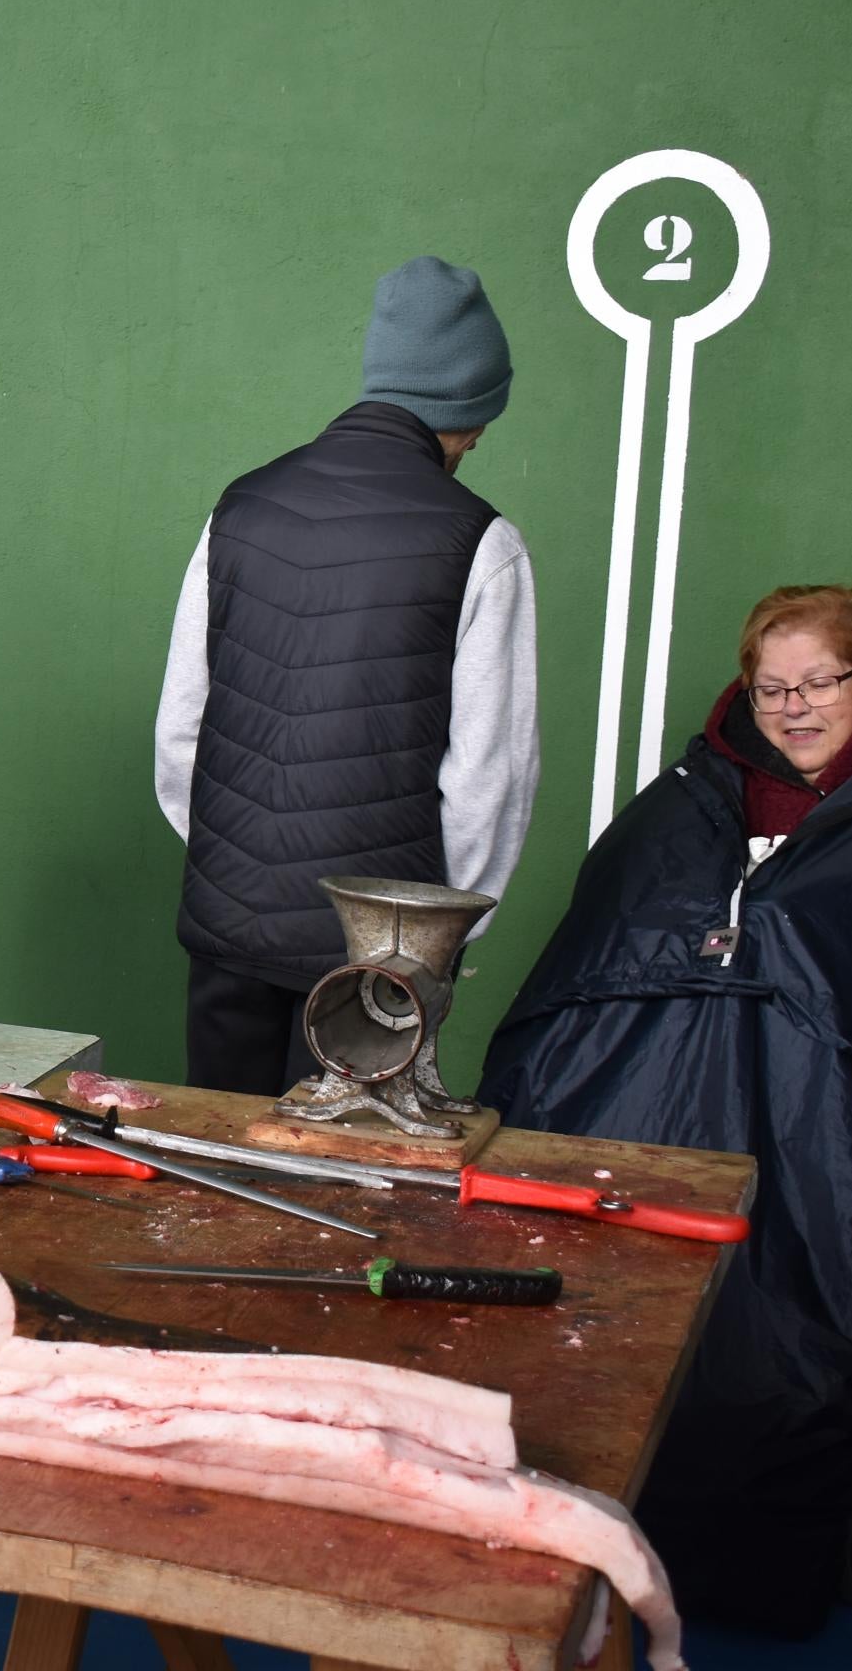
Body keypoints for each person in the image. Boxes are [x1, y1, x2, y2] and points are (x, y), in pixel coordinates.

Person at [480, 584, 852, 1639]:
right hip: (638, 1119)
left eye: (819, 683)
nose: (792, 707)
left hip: (822, 1145)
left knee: (796, 1304)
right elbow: (575, 975)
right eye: (771, 686)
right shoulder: (681, 804)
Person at [154, 255, 539, 1093]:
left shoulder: (242, 506)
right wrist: (437, 937)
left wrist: (239, 862)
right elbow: (487, 781)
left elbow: (181, 730)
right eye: (481, 423)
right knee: (341, 1197)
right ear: (468, 411)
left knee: (215, 1174)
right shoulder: (481, 542)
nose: (478, 442)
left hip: (226, 924)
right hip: (378, 960)